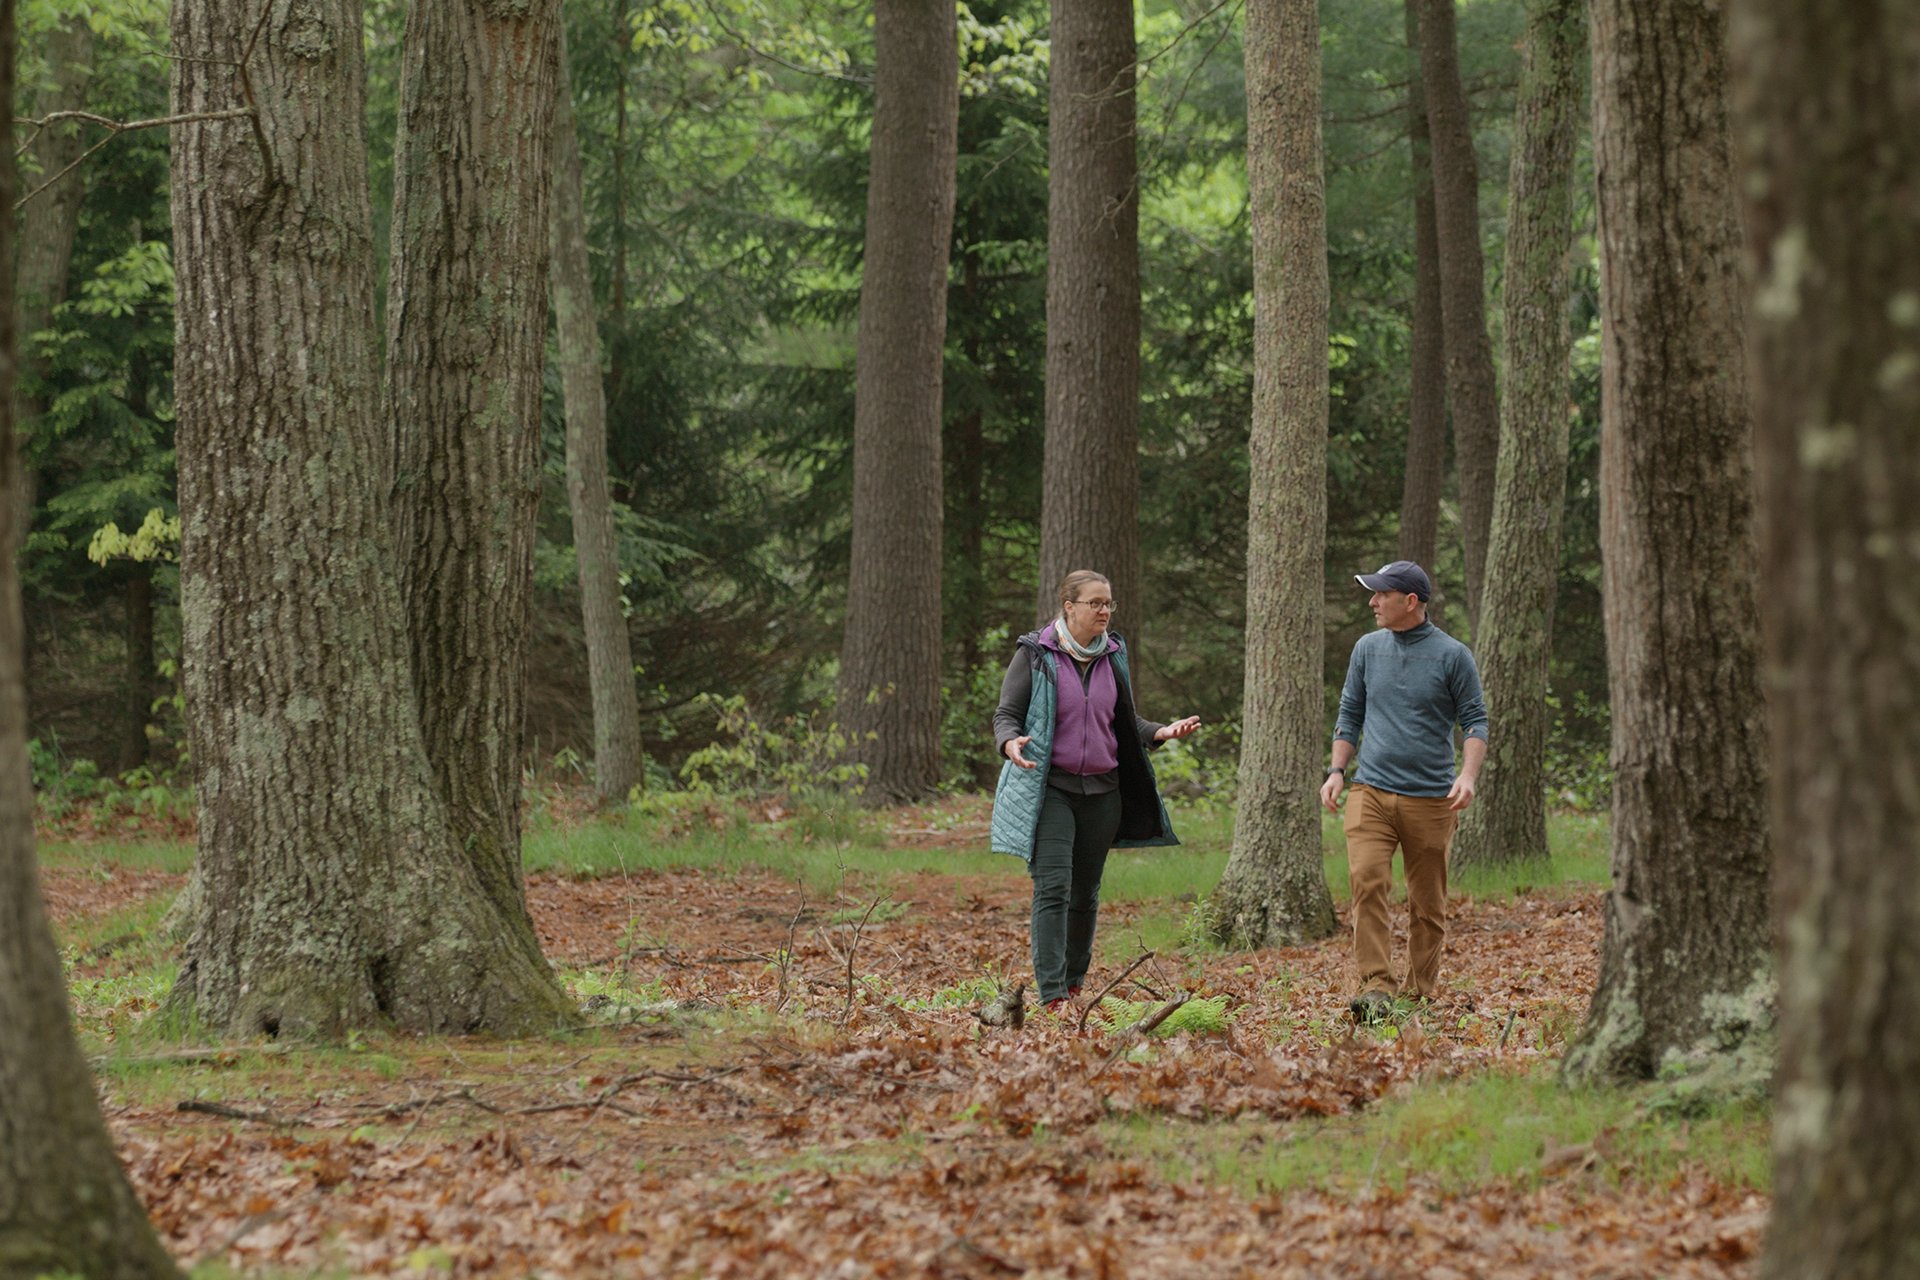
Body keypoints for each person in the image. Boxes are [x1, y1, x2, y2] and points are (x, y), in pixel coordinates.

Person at [990, 571, 1201, 1014]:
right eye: (1095, 603)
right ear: (1069, 606)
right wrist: (1010, 743)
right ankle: (1051, 995)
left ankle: (1073, 984)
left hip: (1104, 792)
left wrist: (1160, 731)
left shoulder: (1113, 656)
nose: (1104, 611)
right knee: (1053, 887)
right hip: (1053, 790)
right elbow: (1007, 715)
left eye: (1109, 604)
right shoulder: (1037, 654)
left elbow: (1126, 722)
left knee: (1085, 891)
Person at [1320, 559, 1487, 1022]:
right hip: (1370, 790)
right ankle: (1375, 987)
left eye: (1381, 594)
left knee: (1426, 903)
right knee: (1367, 883)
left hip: (1432, 799)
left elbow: (1475, 721)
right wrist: (1336, 770)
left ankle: (1417, 994)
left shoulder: (1453, 655)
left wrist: (1468, 776)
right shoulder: (1367, 649)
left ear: (1410, 601)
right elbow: (1349, 713)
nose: (1372, 602)